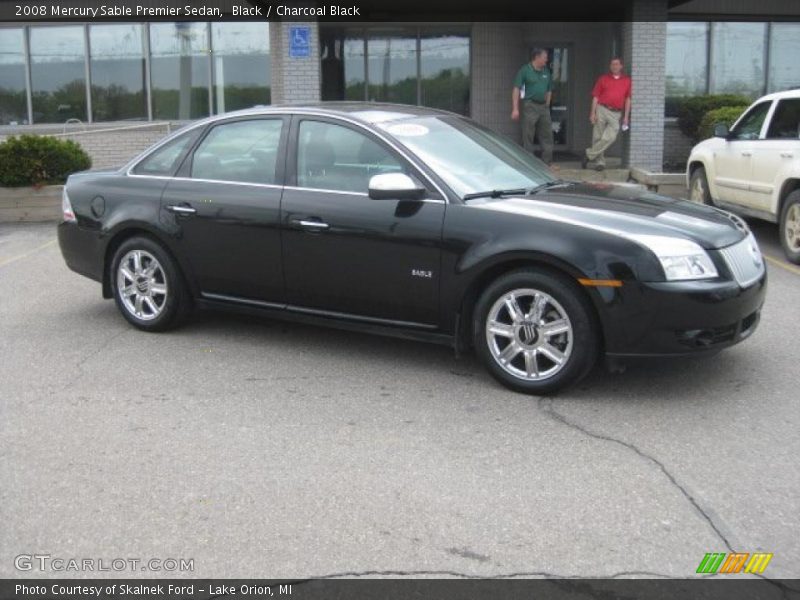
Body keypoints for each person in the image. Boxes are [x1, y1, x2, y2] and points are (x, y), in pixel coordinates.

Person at [582, 57, 632, 171]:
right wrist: (592, 113)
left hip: (616, 113)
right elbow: (595, 97)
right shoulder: (603, 79)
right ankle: (600, 163)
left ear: (621, 66)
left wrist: (626, 117)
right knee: (597, 136)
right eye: (612, 64)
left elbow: (628, 99)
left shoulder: (627, 81)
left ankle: (589, 155)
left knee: (611, 137)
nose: (614, 66)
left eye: (616, 64)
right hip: (602, 109)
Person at [511, 48, 554, 165]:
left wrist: (547, 104)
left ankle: (547, 163)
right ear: (537, 57)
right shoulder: (525, 70)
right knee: (528, 134)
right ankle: (529, 163)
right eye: (545, 57)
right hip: (530, 105)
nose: (546, 60)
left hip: (543, 107)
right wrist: (515, 108)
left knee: (547, 135)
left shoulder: (546, 72)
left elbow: (549, 89)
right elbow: (516, 89)